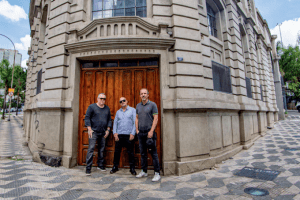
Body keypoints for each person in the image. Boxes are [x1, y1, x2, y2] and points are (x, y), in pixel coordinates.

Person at [135, 88, 161, 182]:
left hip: (149, 133)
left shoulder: (152, 104)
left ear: (148, 95)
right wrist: (137, 129)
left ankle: (157, 173)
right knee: (143, 153)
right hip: (140, 133)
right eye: (141, 93)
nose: (143, 95)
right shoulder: (138, 105)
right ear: (140, 95)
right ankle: (144, 171)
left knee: (153, 153)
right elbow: (137, 118)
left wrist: (151, 131)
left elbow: (156, 118)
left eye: (145, 93)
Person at [85, 93, 112, 176]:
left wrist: (108, 130)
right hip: (94, 132)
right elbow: (87, 117)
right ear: (97, 98)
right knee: (91, 149)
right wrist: (89, 129)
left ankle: (100, 165)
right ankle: (88, 168)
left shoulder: (107, 108)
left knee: (101, 149)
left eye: (104, 99)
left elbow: (109, 120)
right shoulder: (92, 107)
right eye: (101, 98)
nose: (102, 100)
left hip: (103, 132)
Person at [111, 97, 137, 175]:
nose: (122, 102)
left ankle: (132, 168)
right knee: (117, 152)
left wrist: (133, 133)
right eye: (120, 101)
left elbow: (135, 122)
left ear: (127, 101)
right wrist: (115, 133)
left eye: (124, 100)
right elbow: (115, 123)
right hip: (119, 135)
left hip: (129, 135)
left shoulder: (132, 110)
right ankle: (115, 167)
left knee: (131, 152)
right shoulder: (118, 112)